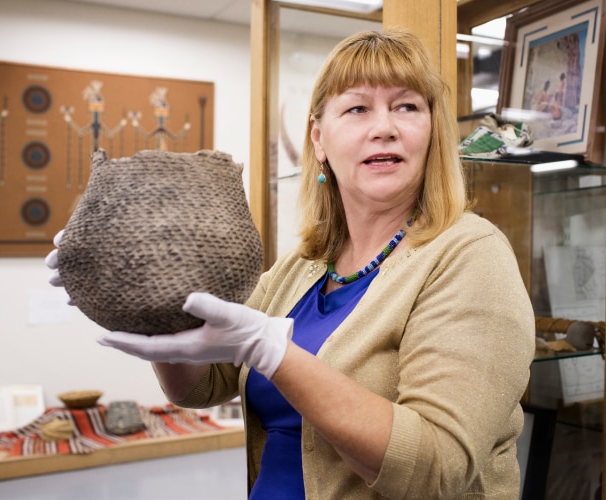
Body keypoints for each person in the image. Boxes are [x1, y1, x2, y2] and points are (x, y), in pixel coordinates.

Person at [47, 28, 535, 498]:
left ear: (431, 130)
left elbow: (436, 469)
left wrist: (274, 354)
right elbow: (204, 385)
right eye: (358, 108)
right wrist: (144, 304)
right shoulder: (305, 265)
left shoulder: (471, 255)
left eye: (406, 106)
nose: (384, 127)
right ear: (319, 139)